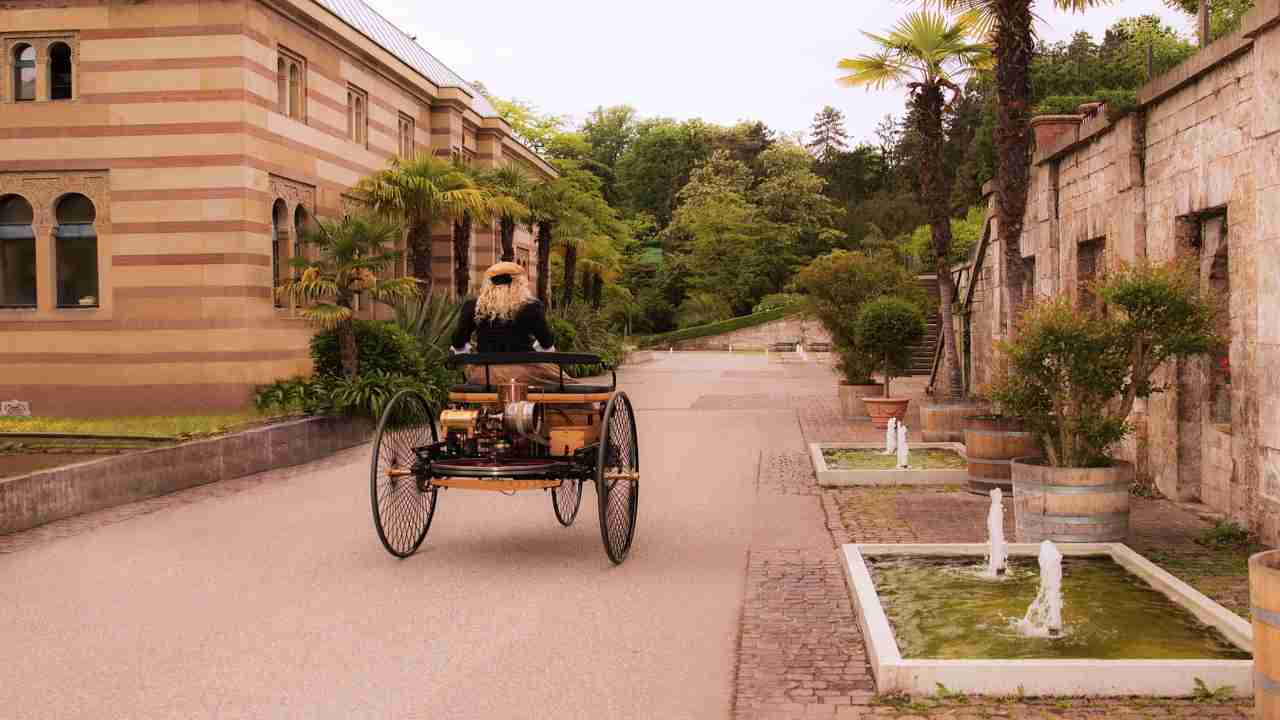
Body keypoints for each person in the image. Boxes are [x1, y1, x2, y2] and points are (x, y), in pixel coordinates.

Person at [450, 262, 561, 387]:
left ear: (489, 282)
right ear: (520, 282)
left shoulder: (473, 306)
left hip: (484, 375)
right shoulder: (531, 306)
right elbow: (547, 342)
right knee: (565, 384)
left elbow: (458, 342)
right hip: (525, 373)